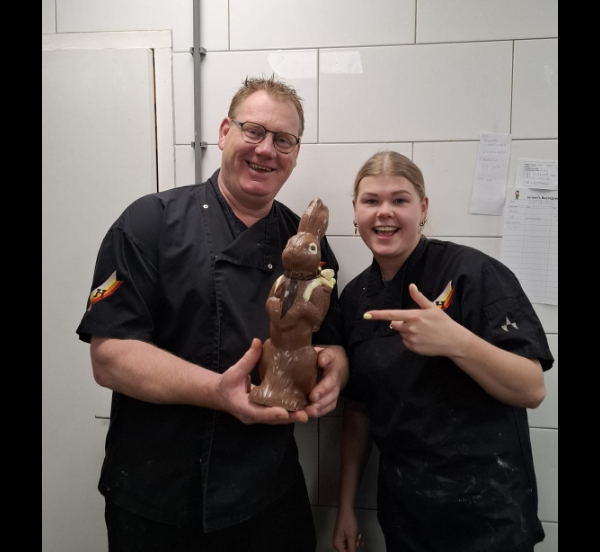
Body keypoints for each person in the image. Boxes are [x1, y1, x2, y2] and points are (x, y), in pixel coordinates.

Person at [76, 76, 349, 552]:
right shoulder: (149, 222)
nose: (266, 150)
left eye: (283, 140)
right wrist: (217, 392)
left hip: (267, 491)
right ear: (224, 132)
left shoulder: (306, 243)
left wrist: (336, 371)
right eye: (253, 131)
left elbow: (332, 339)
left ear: (295, 153)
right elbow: (110, 357)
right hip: (157, 493)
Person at [333, 151, 554, 552]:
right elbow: (359, 409)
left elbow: (531, 388)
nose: (384, 212)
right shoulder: (354, 299)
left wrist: (457, 343)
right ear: (355, 211)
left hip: (489, 517)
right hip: (407, 517)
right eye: (371, 201)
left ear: (423, 209)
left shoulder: (473, 274)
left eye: (399, 200)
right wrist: (345, 506)